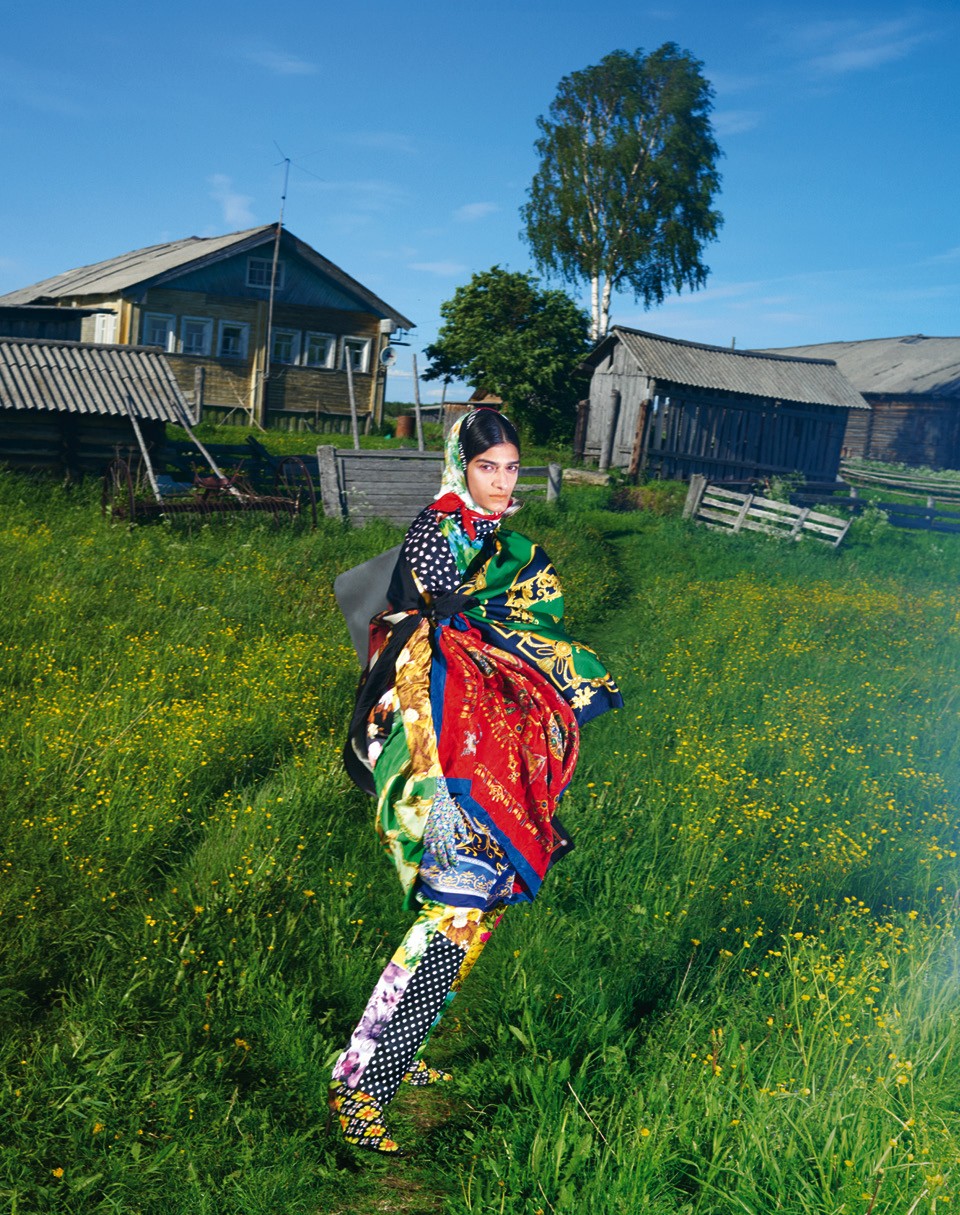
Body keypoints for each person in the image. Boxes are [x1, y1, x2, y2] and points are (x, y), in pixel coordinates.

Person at [330, 408, 622, 1153]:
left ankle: (397, 1047)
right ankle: (360, 1085)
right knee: (455, 910)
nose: (501, 481)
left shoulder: (495, 539)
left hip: (479, 750)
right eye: (487, 467)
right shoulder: (441, 528)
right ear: (462, 466)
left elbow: (506, 628)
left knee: (476, 911)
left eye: (511, 467)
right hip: (435, 749)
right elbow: (433, 630)